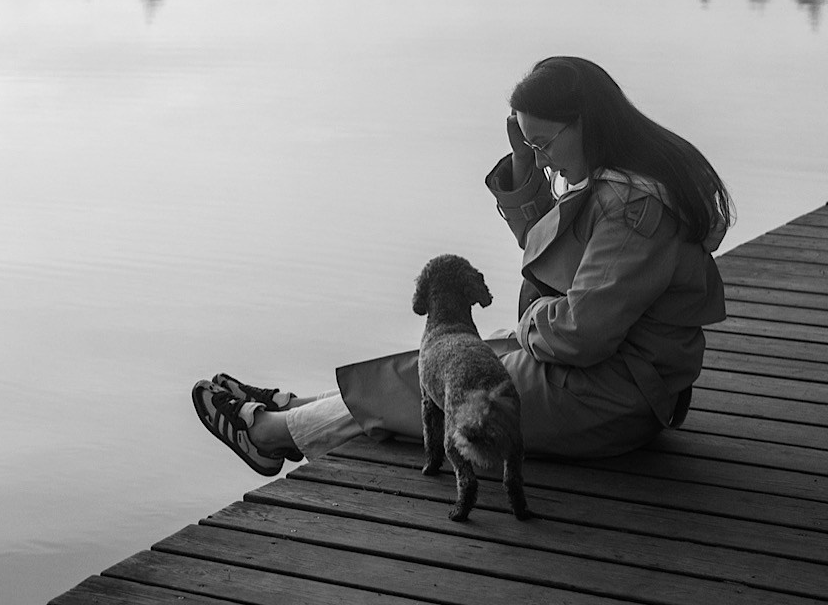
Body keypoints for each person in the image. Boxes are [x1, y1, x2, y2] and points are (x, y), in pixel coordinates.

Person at [192, 55, 734, 475]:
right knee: (450, 356)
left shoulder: (634, 206)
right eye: (530, 144)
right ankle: (304, 407)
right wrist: (526, 172)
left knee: (444, 373)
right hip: (610, 381)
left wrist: (528, 321)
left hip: (611, 399)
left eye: (543, 143)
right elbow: (562, 269)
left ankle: (270, 434)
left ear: (585, 122)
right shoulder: (622, 179)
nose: (542, 157)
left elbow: (578, 335)